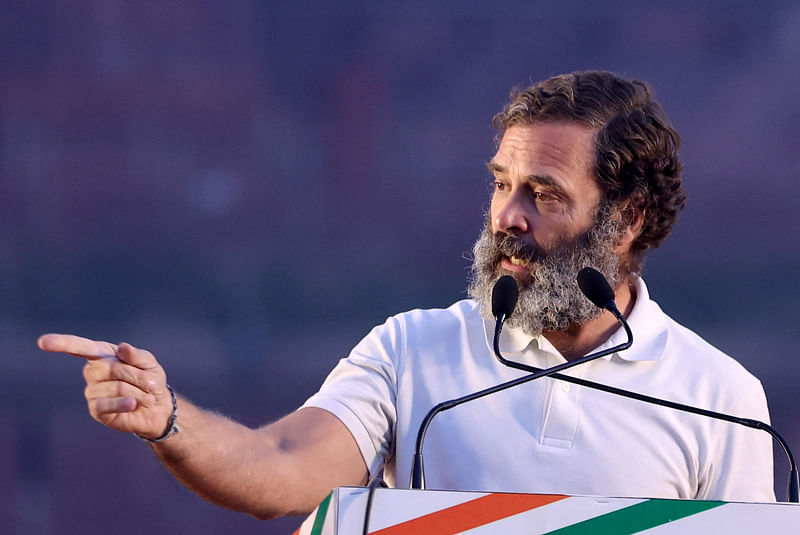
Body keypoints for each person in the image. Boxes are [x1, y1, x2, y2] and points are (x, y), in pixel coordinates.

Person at [37, 70, 776, 520]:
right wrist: (170, 418)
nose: (506, 217)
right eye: (501, 183)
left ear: (628, 220)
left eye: (543, 194)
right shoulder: (412, 350)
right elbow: (282, 462)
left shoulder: (718, 397)